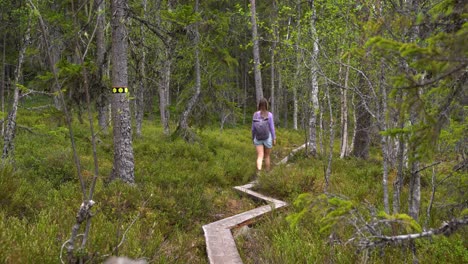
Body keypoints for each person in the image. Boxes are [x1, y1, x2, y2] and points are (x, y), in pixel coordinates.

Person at [252, 98, 276, 173]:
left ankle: (259, 171)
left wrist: (253, 138)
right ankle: (267, 173)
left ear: (259, 105)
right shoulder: (270, 115)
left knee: (260, 155)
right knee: (267, 156)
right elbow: (272, 128)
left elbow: (253, 129)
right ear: (266, 105)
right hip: (267, 138)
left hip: (258, 138)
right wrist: (274, 138)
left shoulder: (255, 114)